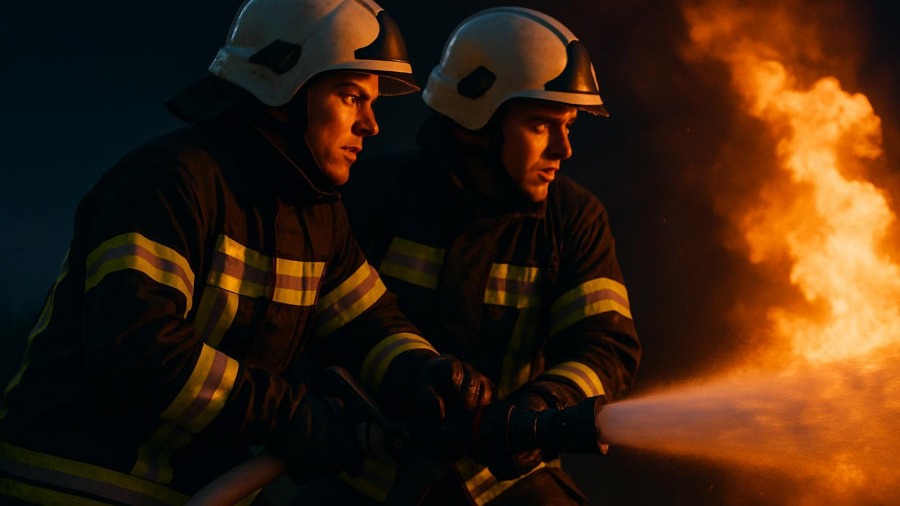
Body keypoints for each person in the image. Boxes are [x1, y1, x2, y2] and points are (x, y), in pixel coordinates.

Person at [0, 0, 491, 504]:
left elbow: (370, 325)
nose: (371, 124)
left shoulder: (318, 216)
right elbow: (139, 344)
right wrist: (287, 414)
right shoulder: (168, 183)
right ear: (283, 89)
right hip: (70, 484)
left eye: (370, 103)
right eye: (350, 97)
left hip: (203, 492)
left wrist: (425, 374)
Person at [333, 6, 642, 505]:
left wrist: (542, 406)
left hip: (502, 480)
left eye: (569, 126)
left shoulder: (573, 218)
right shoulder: (377, 195)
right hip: (367, 474)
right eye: (541, 126)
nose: (564, 149)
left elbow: (604, 345)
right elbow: (331, 325)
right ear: (476, 122)